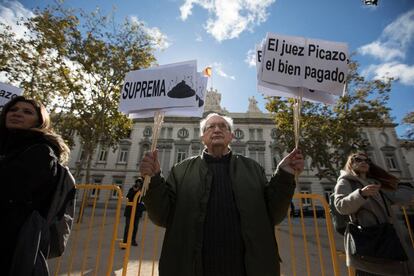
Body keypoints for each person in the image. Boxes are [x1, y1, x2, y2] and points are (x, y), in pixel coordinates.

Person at [139, 113, 304, 276]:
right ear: (202, 136)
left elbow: (272, 214)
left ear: (231, 136)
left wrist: (284, 175)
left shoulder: (253, 169)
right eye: (211, 126)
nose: (217, 129)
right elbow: (162, 215)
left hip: (245, 269)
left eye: (223, 126)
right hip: (193, 268)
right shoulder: (181, 171)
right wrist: (153, 181)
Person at [0, 96, 71, 275]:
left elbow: (11, 192)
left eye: (27, 112)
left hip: (14, 243)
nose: (17, 114)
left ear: (40, 122)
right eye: (13, 109)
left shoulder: (41, 152)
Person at [334, 152, 414, 276]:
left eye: (367, 161)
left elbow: (398, 198)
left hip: (388, 235)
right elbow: (341, 206)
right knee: (371, 269)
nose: (363, 162)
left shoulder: (376, 182)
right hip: (367, 239)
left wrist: (406, 187)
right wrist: (360, 194)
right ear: (351, 163)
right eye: (358, 159)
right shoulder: (345, 181)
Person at [123, 177, 146, 246]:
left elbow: (144, 201)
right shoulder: (131, 189)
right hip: (129, 211)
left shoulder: (143, 191)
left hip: (137, 212)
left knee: (135, 227)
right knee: (128, 226)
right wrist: (134, 191)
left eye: (140, 182)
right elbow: (128, 197)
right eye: (137, 182)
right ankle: (125, 241)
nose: (138, 183)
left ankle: (133, 240)